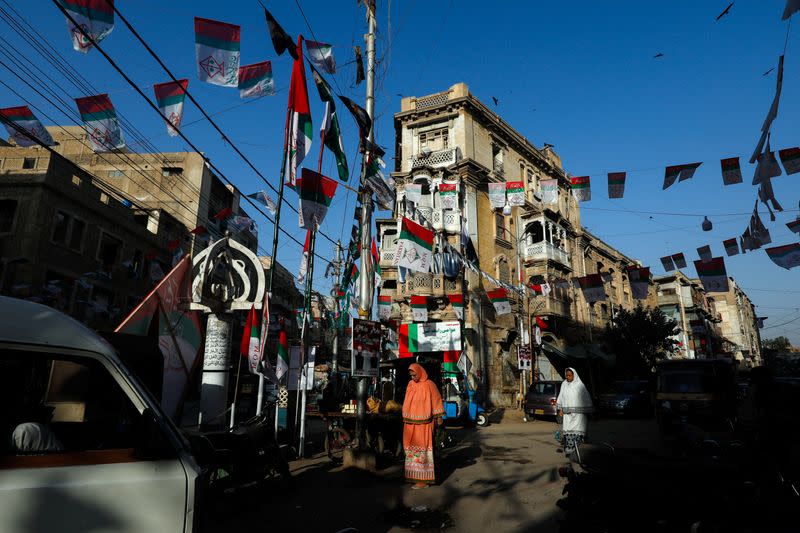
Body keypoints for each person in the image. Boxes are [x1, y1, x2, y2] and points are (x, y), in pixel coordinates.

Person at [402, 363, 444, 489]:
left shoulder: (430, 384)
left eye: (414, 374)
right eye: (411, 375)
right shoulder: (410, 384)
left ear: (420, 372)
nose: (413, 377)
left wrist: (439, 417)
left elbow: (436, 400)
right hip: (410, 424)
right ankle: (413, 476)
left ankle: (423, 481)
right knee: (411, 449)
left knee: (423, 450)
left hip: (425, 425)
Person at [556, 367, 593, 458]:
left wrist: (585, 409)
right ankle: (569, 451)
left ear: (574, 375)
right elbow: (561, 396)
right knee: (568, 433)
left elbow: (586, 398)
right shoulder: (564, 384)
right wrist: (560, 409)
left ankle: (578, 452)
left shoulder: (580, 385)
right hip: (567, 415)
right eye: (567, 375)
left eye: (570, 375)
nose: (568, 377)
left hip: (578, 416)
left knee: (577, 434)